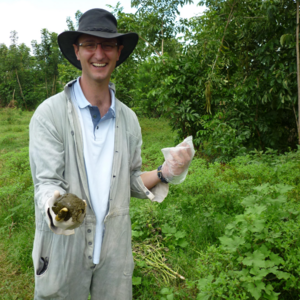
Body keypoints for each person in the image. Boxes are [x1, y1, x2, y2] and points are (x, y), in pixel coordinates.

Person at [29, 8, 194, 300]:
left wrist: (164, 173)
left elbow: (128, 180)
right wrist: (56, 208)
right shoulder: (49, 115)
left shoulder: (128, 120)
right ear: (76, 51)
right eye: (89, 45)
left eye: (107, 45)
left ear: (118, 52)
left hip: (115, 252)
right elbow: (47, 182)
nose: (98, 53)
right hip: (64, 249)